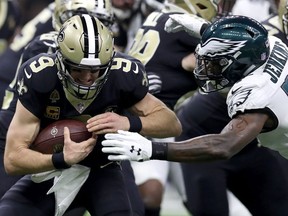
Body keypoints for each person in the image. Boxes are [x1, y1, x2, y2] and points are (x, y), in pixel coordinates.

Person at [102, 14, 288, 216]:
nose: (205, 69)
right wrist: (206, 29)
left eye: (216, 63)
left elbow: (223, 146)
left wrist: (151, 149)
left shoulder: (258, 94)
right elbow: (245, 40)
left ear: (241, 63)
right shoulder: (270, 45)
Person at [0, 14, 181, 216]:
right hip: (52, 168)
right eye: (78, 69)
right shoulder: (40, 75)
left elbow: (172, 124)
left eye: (96, 70)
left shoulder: (124, 73)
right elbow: (12, 159)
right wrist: (61, 158)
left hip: (103, 169)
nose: (87, 78)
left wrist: (127, 121)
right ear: (61, 60)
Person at [0, 0, 114, 198]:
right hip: (25, 129)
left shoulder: (111, 56)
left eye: (100, 21)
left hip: (70, 134)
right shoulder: (46, 48)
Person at [126, 0, 218, 215]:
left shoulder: (157, 17)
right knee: (168, 195)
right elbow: (212, 59)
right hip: (156, 121)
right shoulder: (185, 26)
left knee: (158, 194)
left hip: (151, 118)